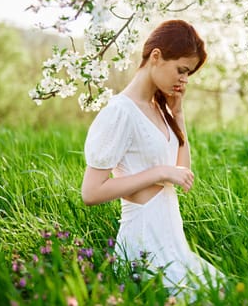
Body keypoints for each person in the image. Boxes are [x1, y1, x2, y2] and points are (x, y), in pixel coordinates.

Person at [81, 19, 222, 297]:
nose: (184, 80)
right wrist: (159, 172)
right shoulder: (120, 111)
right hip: (144, 240)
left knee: (223, 293)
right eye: (181, 70)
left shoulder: (162, 109)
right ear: (156, 57)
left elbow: (183, 174)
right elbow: (91, 192)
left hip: (172, 239)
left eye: (189, 74)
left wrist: (178, 116)